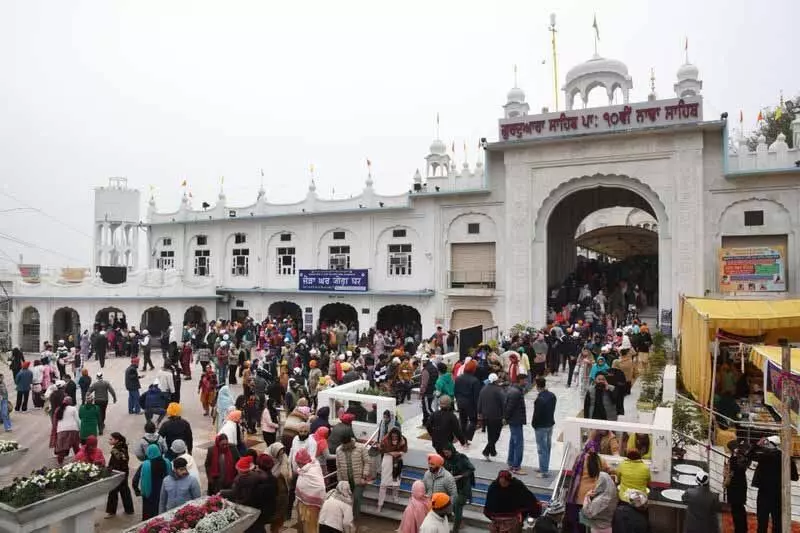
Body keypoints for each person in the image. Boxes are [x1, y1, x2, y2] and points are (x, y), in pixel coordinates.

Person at [749, 435, 799, 533]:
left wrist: (757, 445)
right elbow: (795, 477)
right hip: (779, 494)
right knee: (777, 522)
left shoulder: (764, 456)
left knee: (762, 521)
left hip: (764, 494)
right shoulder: (787, 458)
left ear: (770, 445)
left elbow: (749, 455)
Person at [335, 433, 371, 520]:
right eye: (343, 444)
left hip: (359, 480)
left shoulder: (361, 448)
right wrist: (340, 481)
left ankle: (355, 519)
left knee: (357, 499)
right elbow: (338, 466)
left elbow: (367, 462)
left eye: (347, 444)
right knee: (345, 500)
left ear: (350, 441)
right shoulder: (339, 450)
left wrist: (364, 476)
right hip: (345, 481)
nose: (345, 446)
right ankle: (346, 518)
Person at [133, 443, 172, 520]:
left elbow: (135, 480)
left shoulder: (146, 464)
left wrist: (137, 491)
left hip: (150, 493)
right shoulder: (167, 462)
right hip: (164, 490)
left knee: (149, 514)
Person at [441, 442, 475, 532]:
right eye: (444, 453)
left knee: (457, 504)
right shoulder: (446, 460)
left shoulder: (461, 458)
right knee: (454, 507)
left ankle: (455, 530)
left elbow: (471, 469)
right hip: (452, 488)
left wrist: (461, 476)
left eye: (447, 452)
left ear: (452, 450)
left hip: (463, 488)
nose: (446, 455)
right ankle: (460, 522)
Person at [295, 448, 326, 533]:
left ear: (304, 462)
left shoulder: (313, 470)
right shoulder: (304, 470)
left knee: (311, 525)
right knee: (302, 523)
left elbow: (320, 488)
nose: (297, 465)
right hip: (302, 503)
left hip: (312, 506)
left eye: (299, 463)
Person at [377, 426, 407, 512]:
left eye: (396, 436)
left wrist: (398, 453)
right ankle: (380, 504)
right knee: (383, 484)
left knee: (396, 483)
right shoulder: (385, 439)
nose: (394, 437)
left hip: (397, 461)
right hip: (387, 461)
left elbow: (404, 450)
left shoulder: (403, 439)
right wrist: (391, 453)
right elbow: (381, 449)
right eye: (393, 436)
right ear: (390, 435)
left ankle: (395, 497)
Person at [531, 377, 556, 478]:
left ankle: (544, 471)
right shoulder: (552, 396)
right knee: (547, 447)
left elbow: (536, 414)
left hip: (541, 426)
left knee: (542, 449)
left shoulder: (539, 399)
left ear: (537, 386)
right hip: (550, 424)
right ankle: (543, 466)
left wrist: (534, 424)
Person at [106, 432, 135, 518]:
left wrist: (111, 470)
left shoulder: (117, 450)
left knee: (113, 491)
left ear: (117, 440)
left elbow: (118, 462)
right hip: (123, 472)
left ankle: (111, 512)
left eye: (111, 439)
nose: (109, 441)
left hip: (118, 473)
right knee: (124, 490)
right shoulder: (122, 447)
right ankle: (129, 510)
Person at [724, 440, 750, 533]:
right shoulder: (742, 457)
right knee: (739, 509)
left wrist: (734, 456)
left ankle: (739, 530)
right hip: (740, 486)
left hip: (736, 488)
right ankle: (742, 529)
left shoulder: (737, 459)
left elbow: (735, 470)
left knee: (737, 511)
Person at [477, 373, 505, 461]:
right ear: (496, 380)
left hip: (486, 416)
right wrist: (505, 415)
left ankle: (492, 451)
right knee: (496, 435)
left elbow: (479, 402)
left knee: (490, 434)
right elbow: (504, 403)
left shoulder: (483, 389)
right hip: (496, 416)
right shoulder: (498, 390)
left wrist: (479, 413)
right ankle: (486, 451)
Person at [454, 359, 481, 445]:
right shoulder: (475, 381)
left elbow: (455, 391)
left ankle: (463, 439)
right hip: (470, 403)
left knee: (463, 421)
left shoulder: (458, 378)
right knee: (473, 420)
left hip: (460, 402)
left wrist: (458, 400)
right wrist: (478, 408)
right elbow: (476, 396)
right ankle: (467, 437)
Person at [504, 374, 527, 475]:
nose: (526, 382)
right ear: (520, 380)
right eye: (525, 380)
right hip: (516, 420)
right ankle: (516, 466)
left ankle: (511, 462)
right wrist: (506, 418)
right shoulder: (516, 392)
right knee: (518, 443)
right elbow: (510, 407)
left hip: (514, 420)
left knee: (513, 442)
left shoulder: (512, 389)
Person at [268, 442, 292, 533]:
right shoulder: (268, 458)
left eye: (282, 452)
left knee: (280, 512)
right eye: (279, 453)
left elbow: (287, 465)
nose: (281, 456)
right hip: (274, 490)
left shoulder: (284, 456)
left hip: (283, 486)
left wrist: (288, 474)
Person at [52, 397, 81, 464]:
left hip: (62, 431)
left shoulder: (58, 409)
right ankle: (80, 460)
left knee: (62, 448)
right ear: (71, 402)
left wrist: (56, 431)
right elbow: (78, 420)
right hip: (73, 429)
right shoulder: (73, 409)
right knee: (76, 447)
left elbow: (55, 421)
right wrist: (79, 429)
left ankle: (60, 462)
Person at [419, 356, 439, 426]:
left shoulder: (426, 370)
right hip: (433, 390)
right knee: (428, 407)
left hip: (427, 392)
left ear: (425, 361)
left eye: (422, 361)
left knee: (427, 409)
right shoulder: (434, 368)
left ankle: (436, 420)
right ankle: (425, 421)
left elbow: (424, 384)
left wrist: (421, 393)